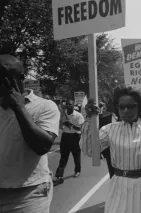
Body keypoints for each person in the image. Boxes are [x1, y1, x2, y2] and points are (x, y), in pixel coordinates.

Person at [80, 86, 141, 213]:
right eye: (121, 107)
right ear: (116, 107)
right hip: (119, 184)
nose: (125, 110)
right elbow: (89, 150)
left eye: (131, 106)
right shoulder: (109, 129)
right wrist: (89, 120)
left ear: (139, 107)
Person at [0, 54, 60, 212]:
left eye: (3, 78)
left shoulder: (45, 106)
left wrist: (19, 108)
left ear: (20, 78)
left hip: (29, 194)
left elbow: (42, 146)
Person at [54, 99, 85, 184]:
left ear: (73, 105)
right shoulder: (63, 115)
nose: (68, 106)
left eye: (70, 104)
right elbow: (60, 126)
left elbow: (79, 128)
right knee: (63, 157)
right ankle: (59, 175)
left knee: (76, 156)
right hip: (65, 137)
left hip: (75, 137)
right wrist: (63, 123)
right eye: (67, 104)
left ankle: (77, 170)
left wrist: (70, 124)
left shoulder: (78, 115)